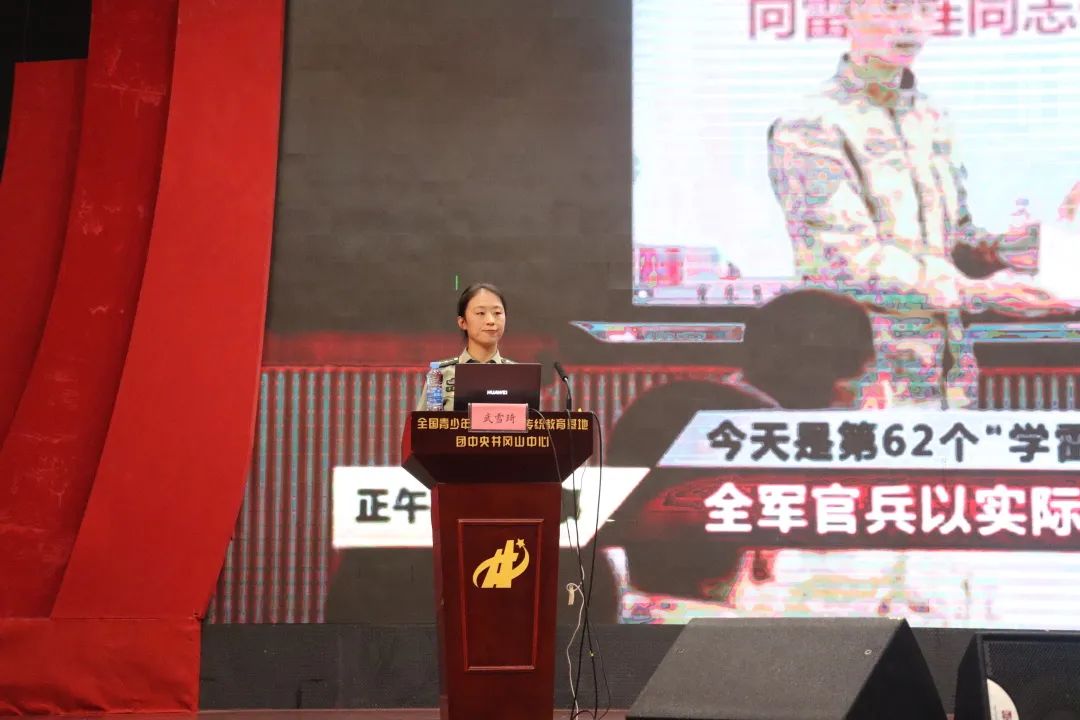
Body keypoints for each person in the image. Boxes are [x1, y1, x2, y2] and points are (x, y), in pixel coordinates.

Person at [766, 0, 1076, 409]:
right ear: (847, 10)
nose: (911, 24)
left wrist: (1028, 247)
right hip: (860, 376)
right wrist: (979, 293)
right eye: (893, 6)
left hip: (948, 372)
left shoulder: (931, 118)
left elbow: (953, 243)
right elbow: (842, 263)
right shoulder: (810, 124)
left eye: (926, 9)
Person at [596, 289, 876, 621]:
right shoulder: (771, 435)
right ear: (824, 373)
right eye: (858, 376)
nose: (860, 396)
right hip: (717, 614)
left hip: (637, 605)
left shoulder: (668, 404)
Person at [417, 282, 514, 411]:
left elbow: (534, 422)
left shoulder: (517, 375)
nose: (491, 320)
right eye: (480, 313)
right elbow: (423, 422)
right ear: (462, 322)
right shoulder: (441, 375)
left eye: (497, 313)